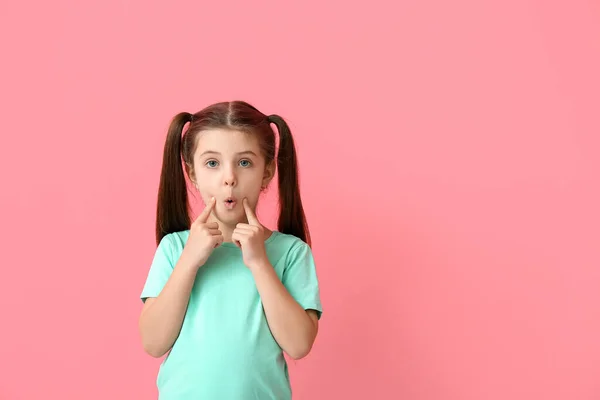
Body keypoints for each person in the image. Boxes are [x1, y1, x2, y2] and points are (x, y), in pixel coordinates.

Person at [138, 100, 323, 399]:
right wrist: (189, 261)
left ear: (267, 171)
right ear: (192, 173)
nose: (229, 178)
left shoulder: (291, 253)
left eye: (245, 162)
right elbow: (153, 342)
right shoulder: (174, 248)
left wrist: (260, 263)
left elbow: (299, 344)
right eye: (212, 163)